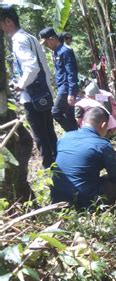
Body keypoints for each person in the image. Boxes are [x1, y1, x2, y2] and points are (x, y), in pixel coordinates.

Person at [0, 6, 57, 169]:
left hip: (32, 97)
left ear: (8, 21)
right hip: (44, 93)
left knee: (40, 136)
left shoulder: (18, 40)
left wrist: (20, 84)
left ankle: (49, 167)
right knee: (49, 132)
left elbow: (32, 66)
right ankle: (58, 163)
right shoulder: (30, 37)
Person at [51, 107, 116, 209]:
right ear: (103, 125)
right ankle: (100, 207)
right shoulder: (102, 144)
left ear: (83, 122)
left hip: (57, 199)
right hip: (83, 201)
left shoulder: (65, 137)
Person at [39, 27, 79, 132]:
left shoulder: (65, 51)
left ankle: (72, 134)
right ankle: (76, 138)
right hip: (62, 87)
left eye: (46, 43)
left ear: (52, 39)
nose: (47, 46)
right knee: (69, 115)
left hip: (66, 88)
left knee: (56, 112)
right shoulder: (56, 52)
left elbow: (71, 73)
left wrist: (71, 93)